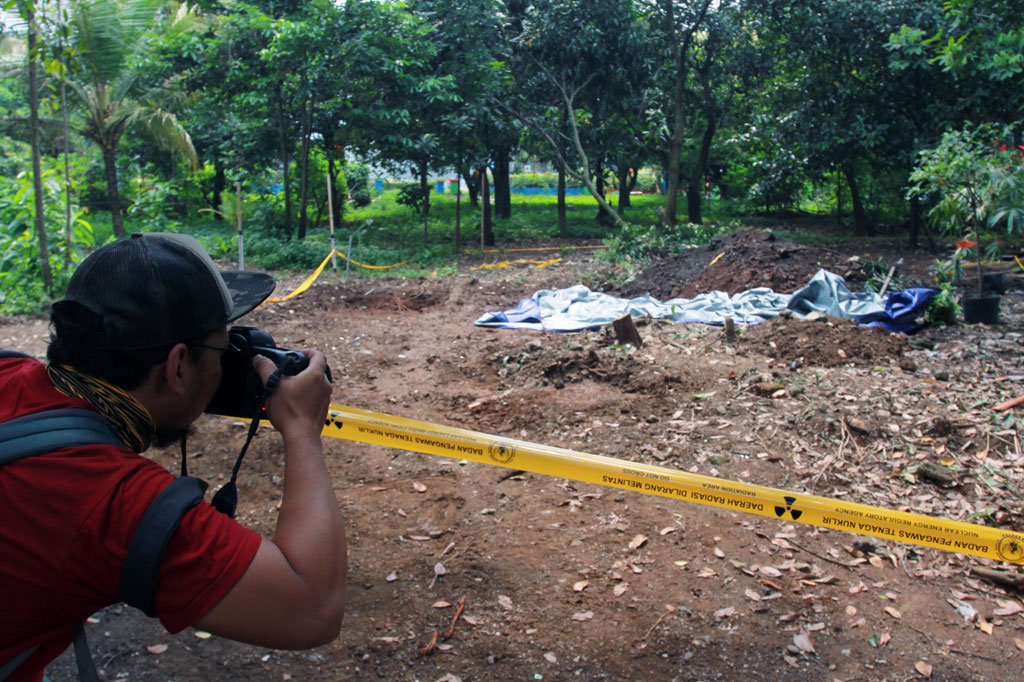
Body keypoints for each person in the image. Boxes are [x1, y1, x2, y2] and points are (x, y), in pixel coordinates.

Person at [0, 233, 347, 681]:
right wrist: (301, 430)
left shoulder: (9, 369)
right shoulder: (112, 502)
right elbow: (311, 609)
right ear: (179, 366)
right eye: (224, 348)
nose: (228, 363)